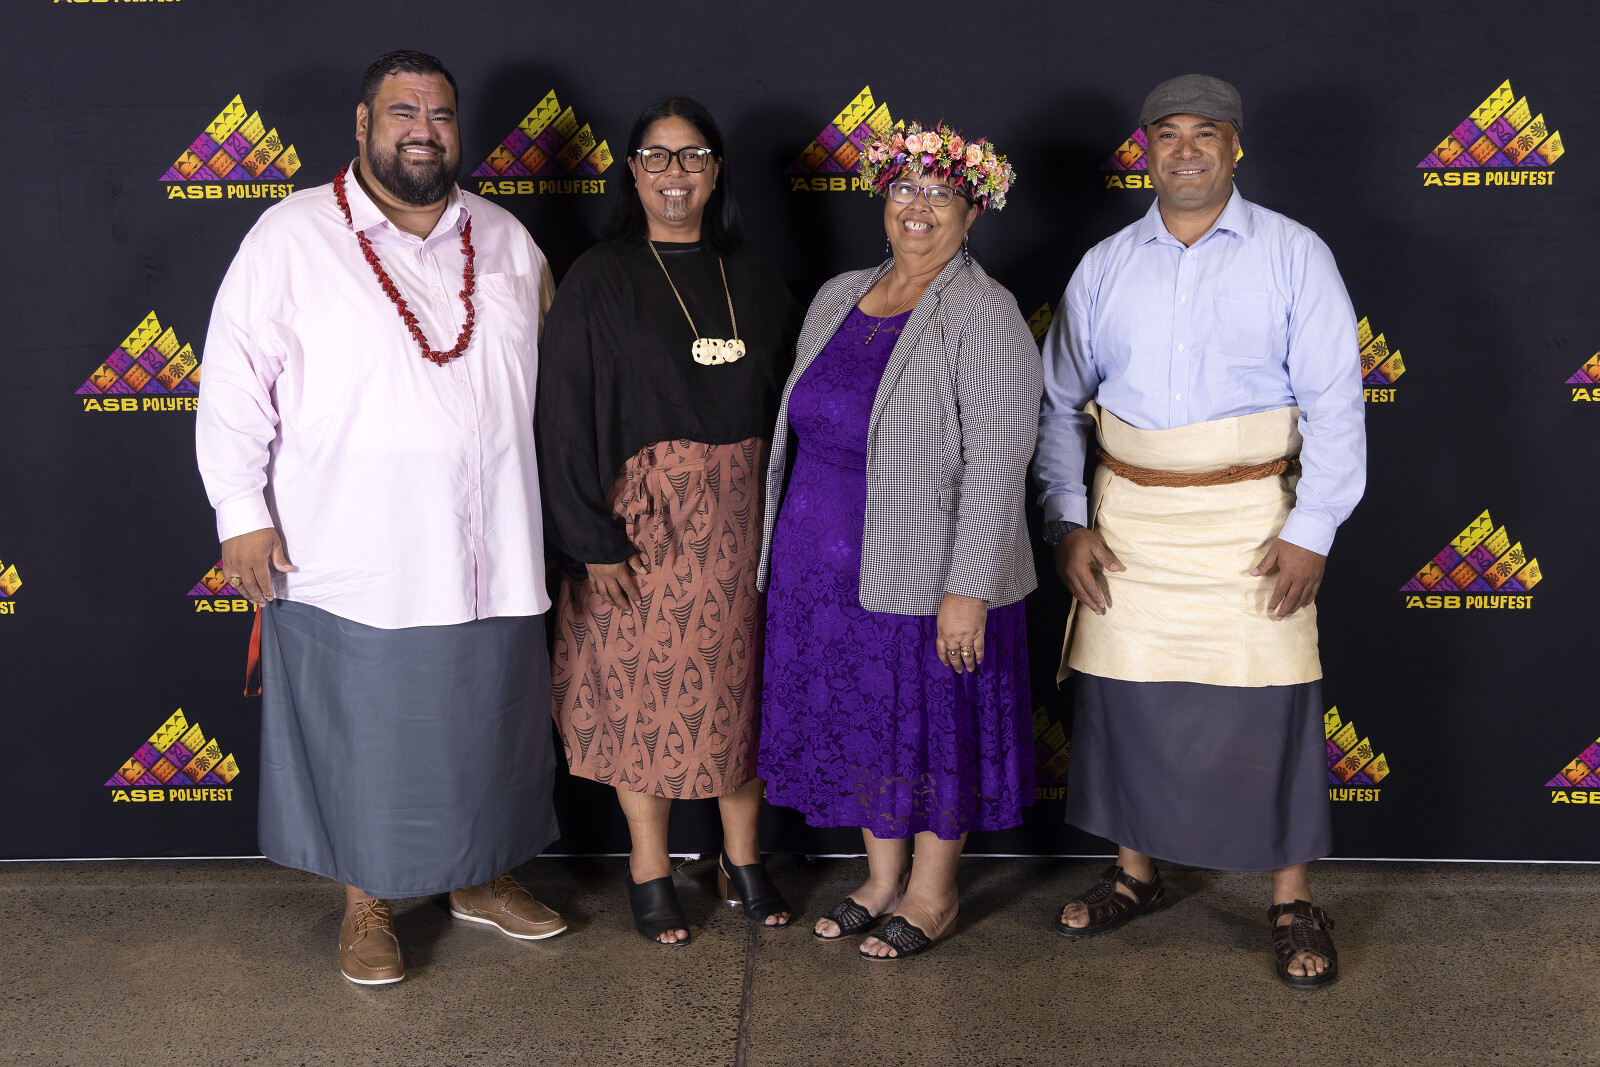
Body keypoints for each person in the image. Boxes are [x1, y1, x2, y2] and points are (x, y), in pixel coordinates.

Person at [196, 50, 565, 986]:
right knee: (368, 736)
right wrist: (240, 512)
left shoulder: (507, 240)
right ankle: (368, 899)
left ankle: (481, 874)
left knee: (490, 725)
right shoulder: (289, 237)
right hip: (357, 547)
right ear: (363, 125)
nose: (422, 132)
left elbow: (559, 387)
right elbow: (233, 384)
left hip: (497, 545)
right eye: (403, 112)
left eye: (439, 115)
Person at [1034, 74, 1365, 988]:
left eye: (1206, 133)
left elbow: (1337, 406)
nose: (1186, 150)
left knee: (1275, 703)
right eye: (1168, 134)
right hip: (1131, 518)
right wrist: (1066, 519)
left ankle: (1291, 899)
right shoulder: (1104, 265)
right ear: (1144, 150)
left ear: (1235, 146)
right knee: (1127, 700)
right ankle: (1134, 874)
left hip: (1254, 518)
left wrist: (1314, 527)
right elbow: (1058, 407)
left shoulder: (1295, 255)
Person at [757, 123, 1040, 960]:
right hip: (823, 564)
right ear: (885, 200)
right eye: (906, 189)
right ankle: (881, 879)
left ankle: (933, 891)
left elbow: (999, 461)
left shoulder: (983, 311)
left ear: (972, 210)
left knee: (932, 724)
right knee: (867, 721)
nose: (920, 206)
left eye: (941, 192)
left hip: (927, 570)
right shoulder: (839, 294)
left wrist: (969, 588)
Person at [537, 97, 800, 946]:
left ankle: (740, 856)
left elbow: (794, 411)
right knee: (641, 699)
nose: (674, 174)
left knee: (742, 692)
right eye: (656, 157)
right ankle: (648, 865)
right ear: (632, 171)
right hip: (641, 534)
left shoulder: (754, 274)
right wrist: (590, 541)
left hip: (745, 528)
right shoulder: (599, 277)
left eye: (692, 157)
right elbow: (562, 419)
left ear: (716, 172)